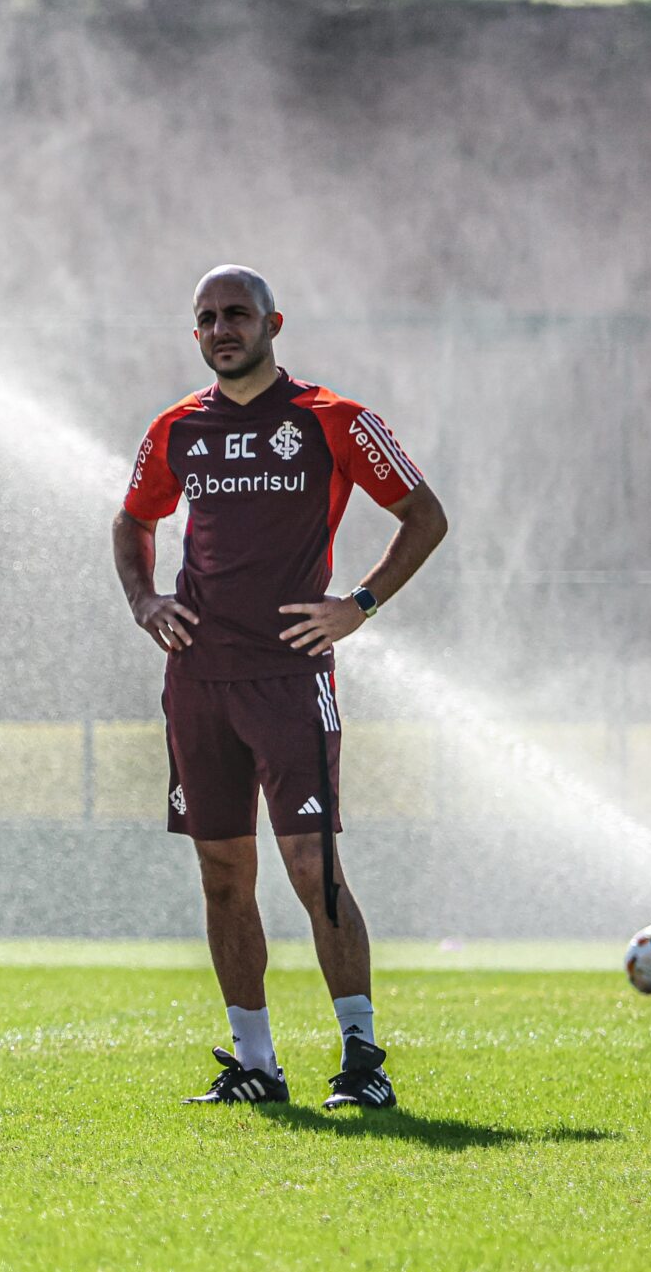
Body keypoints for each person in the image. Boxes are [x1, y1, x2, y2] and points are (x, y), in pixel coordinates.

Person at [114, 265, 448, 1110]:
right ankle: (257, 1065)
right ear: (196, 335)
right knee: (223, 873)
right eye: (206, 318)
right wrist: (146, 599)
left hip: (292, 680)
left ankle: (363, 1061)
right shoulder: (176, 428)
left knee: (313, 867)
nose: (221, 328)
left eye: (237, 313)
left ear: (274, 322)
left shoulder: (334, 419)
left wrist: (359, 605)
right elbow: (132, 520)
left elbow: (426, 514)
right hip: (198, 682)